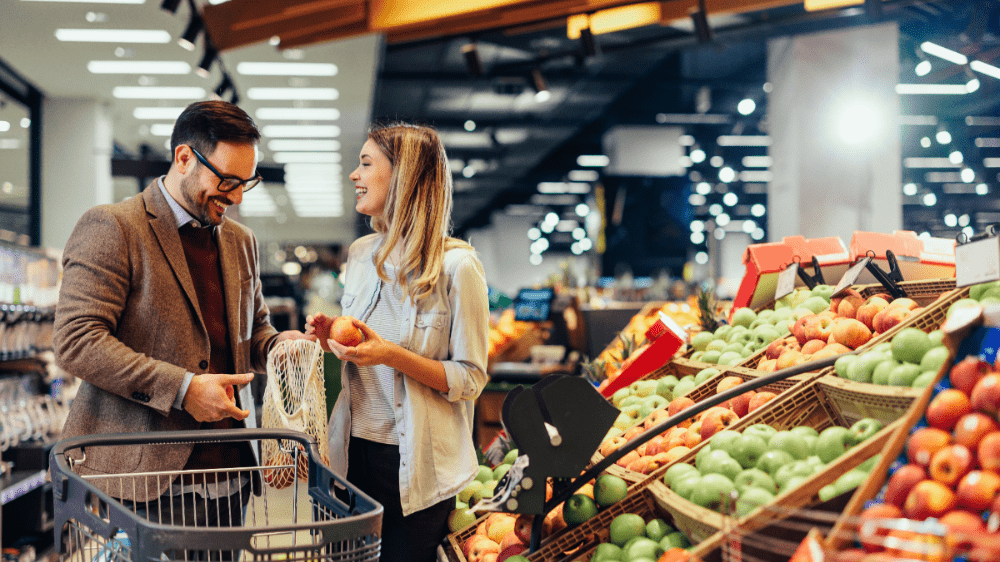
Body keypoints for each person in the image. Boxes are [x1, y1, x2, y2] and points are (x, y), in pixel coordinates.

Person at [54, 100, 313, 537]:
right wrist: (183, 389)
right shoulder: (115, 227)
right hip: (144, 485)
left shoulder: (240, 241)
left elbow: (253, 333)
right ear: (184, 158)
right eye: (226, 180)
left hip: (228, 474)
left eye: (244, 183)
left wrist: (282, 345)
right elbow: (76, 341)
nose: (234, 196)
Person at [307, 123, 490, 562]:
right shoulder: (360, 255)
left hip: (417, 465)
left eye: (367, 164)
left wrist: (391, 355)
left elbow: (470, 379)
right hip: (351, 455)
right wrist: (331, 333)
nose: (355, 174)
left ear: (404, 175)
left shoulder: (457, 267)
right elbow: (362, 345)